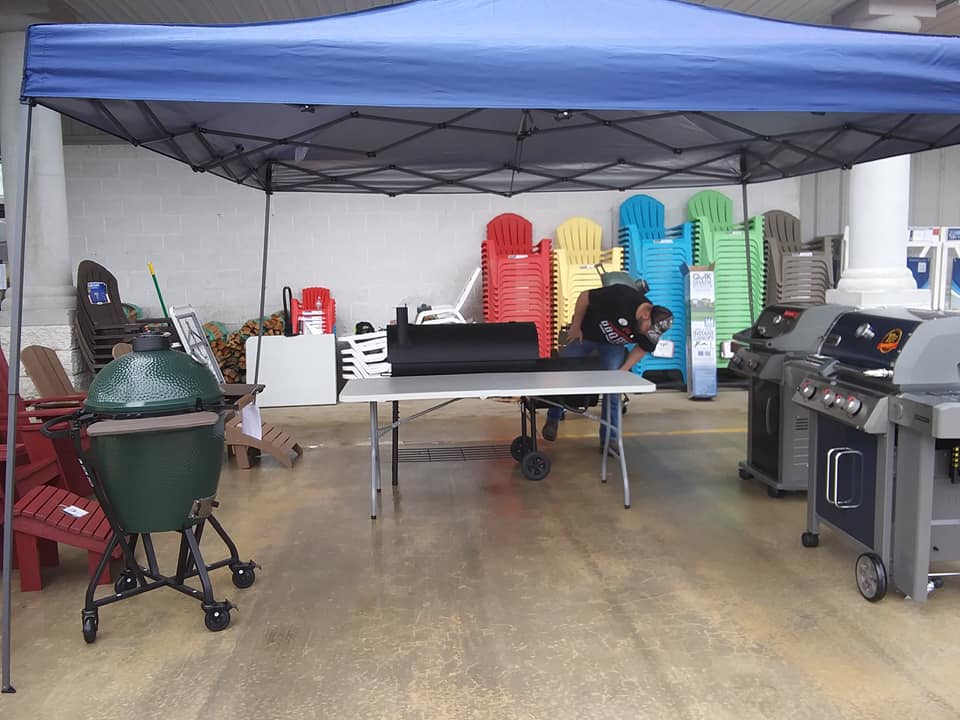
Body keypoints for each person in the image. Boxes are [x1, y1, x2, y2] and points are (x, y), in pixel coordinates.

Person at [541, 283, 673, 454]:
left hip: (612, 346)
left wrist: (623, 370)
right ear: (645, 314)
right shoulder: (621, 297)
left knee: (614, 387)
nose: (648, 334)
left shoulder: (652, 328)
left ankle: (610, 438)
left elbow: (643, 348)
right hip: (586, 334)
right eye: (648, 329)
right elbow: (584, 296)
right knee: (564, 371)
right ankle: (553, 417)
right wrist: (576, 325)